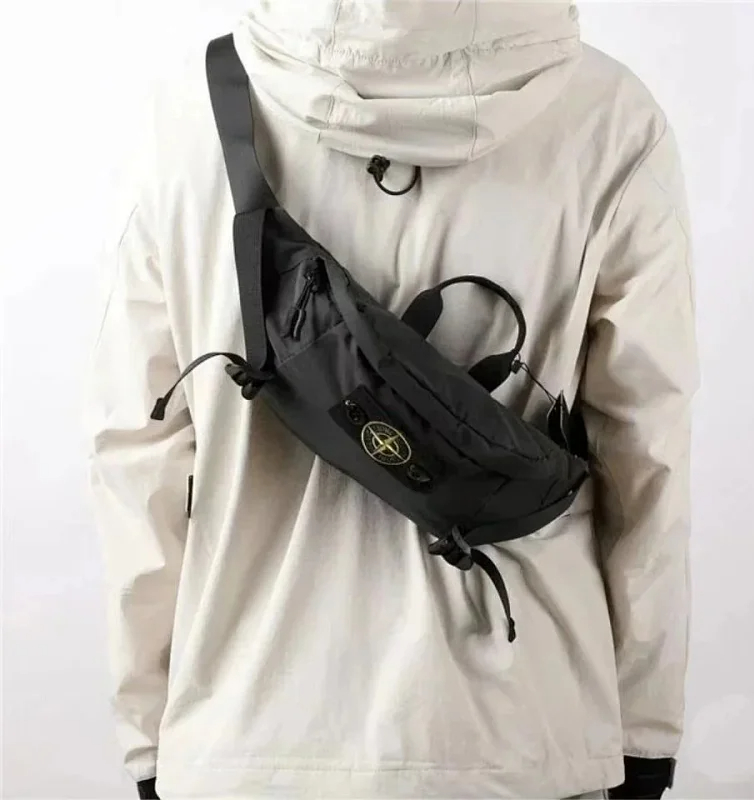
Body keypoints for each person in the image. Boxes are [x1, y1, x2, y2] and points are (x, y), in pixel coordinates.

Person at [87, 1, 698, 798]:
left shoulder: (186, 117)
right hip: (522, 736)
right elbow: (647, 450)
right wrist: (643, 729)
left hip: (247, 732)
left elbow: (137, 455)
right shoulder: (610, 120)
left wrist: (148, 733)